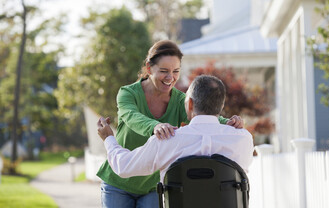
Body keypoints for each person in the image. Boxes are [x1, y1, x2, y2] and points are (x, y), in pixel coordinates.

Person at [96, 40, 244, 208]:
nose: (170, 77)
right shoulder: (128, 93)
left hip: (152, 186)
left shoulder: (181, 101)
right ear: (149, 68)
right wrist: (154, 126)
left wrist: (229, 122)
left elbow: (202, 115)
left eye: (176, 71)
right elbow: (131, 117)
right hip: (118, 183)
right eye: (164, 71)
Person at [97, 75, 254, 184]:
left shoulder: (167, 140)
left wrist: (108, 138)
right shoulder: (243, 139)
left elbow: (124, 166)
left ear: (190, 104)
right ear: (220, 107)